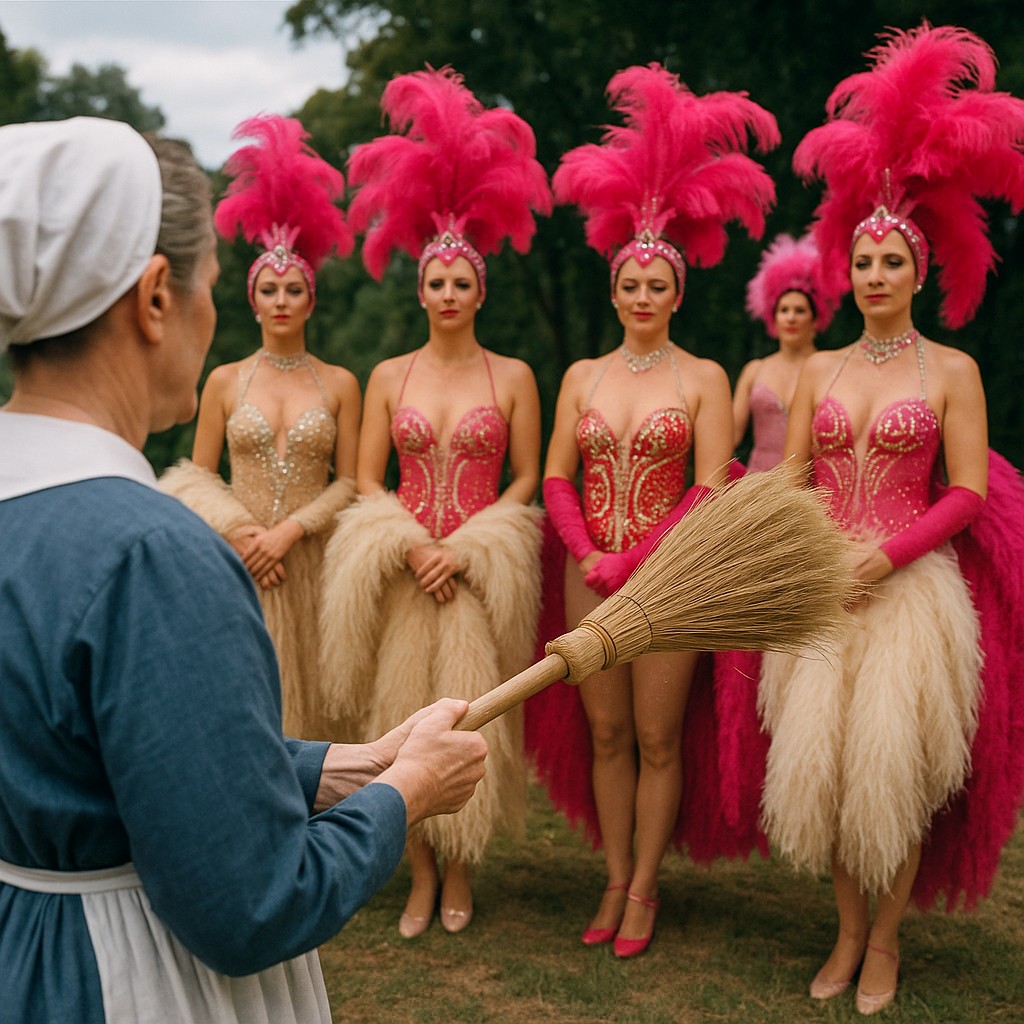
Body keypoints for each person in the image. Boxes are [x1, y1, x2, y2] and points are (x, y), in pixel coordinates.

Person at [0, 116, 487, 1024]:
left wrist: (340, 765)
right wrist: (406, 792)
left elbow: (112, 753)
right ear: (156, 297)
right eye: (215, 286)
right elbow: (256, 901)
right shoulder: (154, 556)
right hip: (126, 978)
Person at [758, 24, 1024, 1015]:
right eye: (862, 261)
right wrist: (793, 548)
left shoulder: (951, 371)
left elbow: (966, 491)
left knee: (891, 776)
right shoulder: (820, 370)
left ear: (919, 271)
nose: (874, 275)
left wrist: (887, 556)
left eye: (891, 262)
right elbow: (792, 475)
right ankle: (843, 930)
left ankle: (885, 941)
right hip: (823, 589)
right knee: (825, 773)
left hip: (910, 590)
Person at [534, 64, 779, 958]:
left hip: (670, 576)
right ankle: (610, 875)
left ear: (679, 292)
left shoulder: (705, 377)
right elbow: (556, 477)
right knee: (604, 732)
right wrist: (586, 552)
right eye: (630, 284)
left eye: (657, 284)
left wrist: (633, 562)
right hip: (587, 567)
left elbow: (710, 485)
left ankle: (645, 887)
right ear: (614, 291)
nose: (643, 296)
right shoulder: (582, 376)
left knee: (655, 736)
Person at [318, 67, 550, 939]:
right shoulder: (389, 375)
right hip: (407, 567)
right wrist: (413, 544)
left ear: (480, 291)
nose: (448, 293)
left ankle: (461, 869)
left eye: (462, 282)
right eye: (436, 281)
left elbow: (525, 477)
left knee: (471, 714)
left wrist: (471, 545)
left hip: (477, 572)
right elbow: (366, 476)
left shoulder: (514, 376)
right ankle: (417, 871)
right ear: (418, 289)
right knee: (401, 717)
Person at [160, 115, 359, 740]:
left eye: (293, 289)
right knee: (241, 698)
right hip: (241, 559)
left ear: (311, 299)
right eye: (269, 289)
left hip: (311, 562)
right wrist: (246, 534)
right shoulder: (224, 381)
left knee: (315, 707)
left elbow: (352, 481)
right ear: (252, 299)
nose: (280, 300)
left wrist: (291, 532)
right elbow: (196, 476)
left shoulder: (340, 383)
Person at [732, 233, 837, 471]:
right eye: (784, 310)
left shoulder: (831, 370)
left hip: (810, 484)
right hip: (759, 484)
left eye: (799, 310)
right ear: (773, 318)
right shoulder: (755, 370)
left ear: (816, 318)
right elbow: (731, 436)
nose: (791, 317)